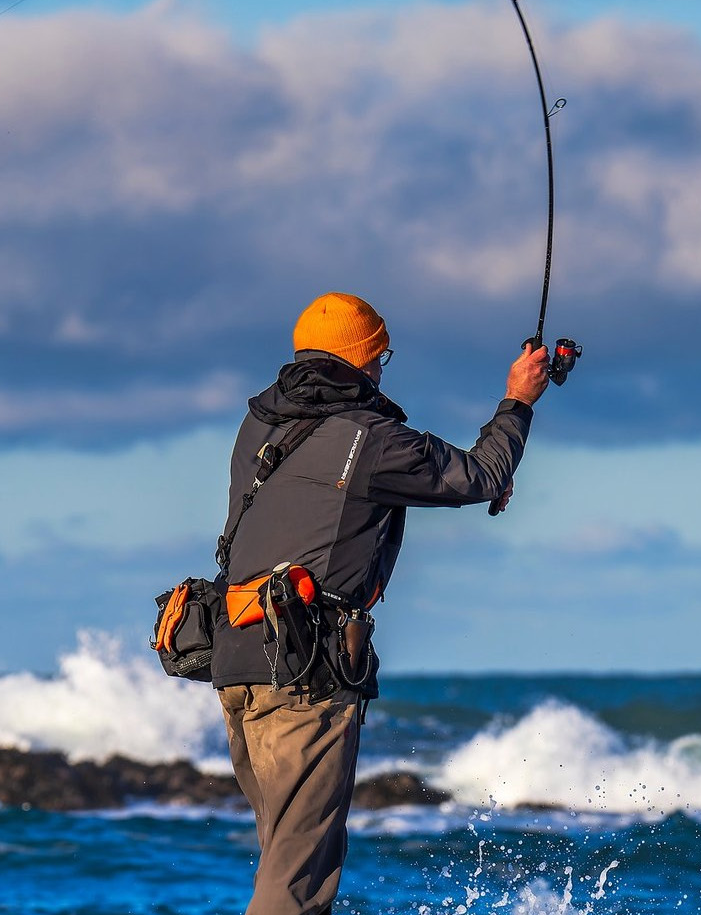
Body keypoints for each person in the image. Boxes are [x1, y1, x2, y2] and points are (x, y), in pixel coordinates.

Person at [212, 292, 549, 915]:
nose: (381, 369)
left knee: (285, 856)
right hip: (304, 677)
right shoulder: (369, 439)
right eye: (380, 357)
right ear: (365, 360)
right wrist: (518, 401)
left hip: (237, 665)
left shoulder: (259, 423)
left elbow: (320, 504)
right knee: (298, 875)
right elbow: (478, 475)